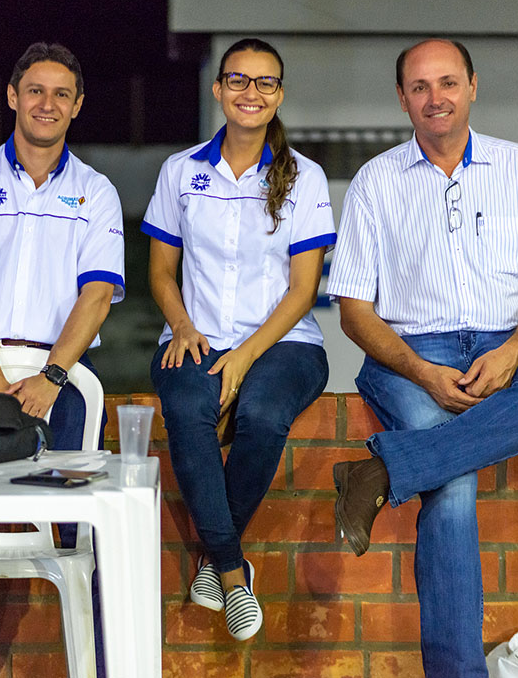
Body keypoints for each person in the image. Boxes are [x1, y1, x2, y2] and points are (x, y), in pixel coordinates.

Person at [326, 39, 518, 677]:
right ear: (402, 98)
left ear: (473, 86)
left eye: (448, 82)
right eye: (420, 87)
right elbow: (355, 311)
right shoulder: (376, 182)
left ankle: (382, 471)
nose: (435, 98)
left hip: (510, 342)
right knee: (451, 487)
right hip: (409, 354)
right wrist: (421, 371)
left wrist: (513, 352)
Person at [0, 41, 124, 676]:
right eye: (35, 90)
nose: (47, 104)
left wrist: (51, 376)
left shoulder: (96, 192)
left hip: (59, 382)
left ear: (78, 106)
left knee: (83, 536)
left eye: (61, 94)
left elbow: (98, 296)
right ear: (13, 97)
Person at [144, 38, 335, 641]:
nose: (251, 92)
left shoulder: (304, 176)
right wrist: (182, 325)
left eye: (265, 82)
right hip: (194, 335)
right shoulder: (181, 171)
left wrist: (244, 357)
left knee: (263, 414)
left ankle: (214, 560)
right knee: (186, 408)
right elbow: (160, 272)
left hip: (286, 342)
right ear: (218, 88)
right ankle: (231, 567)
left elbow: (303, 290)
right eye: (238, 80)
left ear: (279, 95)